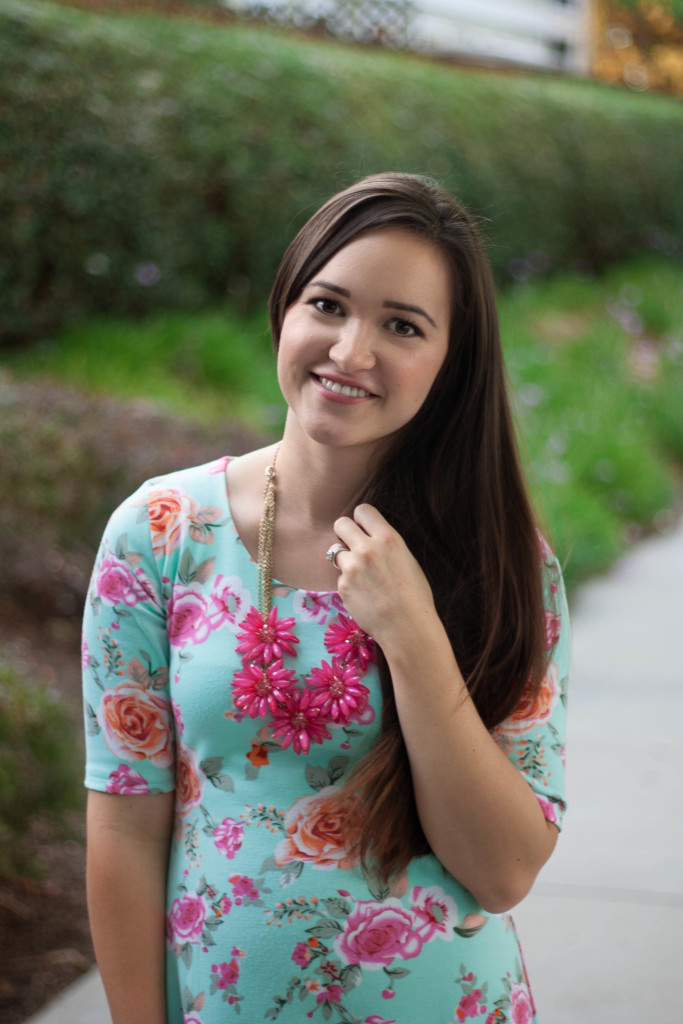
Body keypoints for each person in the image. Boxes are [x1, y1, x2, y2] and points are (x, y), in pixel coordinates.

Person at [83, 171, 569, 1024]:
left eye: (402, 326)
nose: (350, 352)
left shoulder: (498, 561)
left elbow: (501, 870)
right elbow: (125, 827)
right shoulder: (158, 533)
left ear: (450, 365)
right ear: (285, 308)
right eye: (328, 305)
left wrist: (413, 637)